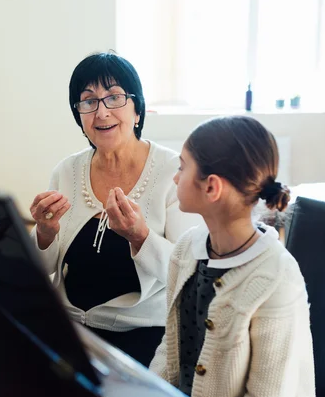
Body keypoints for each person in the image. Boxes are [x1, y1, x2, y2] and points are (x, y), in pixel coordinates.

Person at [29, 52, 200, 366]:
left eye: (114, 98)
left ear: (137, 110)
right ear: (78, 116)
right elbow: (42, 270)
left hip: (143, 331)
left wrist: (140, 237)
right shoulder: (66, 171)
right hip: (70, 326)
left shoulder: (172, 171)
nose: (101, 112)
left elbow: (188, 273)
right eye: (88, 101)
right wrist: (44, 232)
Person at [143, 116, 315, 397]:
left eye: (182, 167)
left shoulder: (277, 278)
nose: (175, 178)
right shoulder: (185, 251)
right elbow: (170, 351)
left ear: (211, 187)